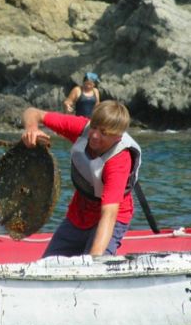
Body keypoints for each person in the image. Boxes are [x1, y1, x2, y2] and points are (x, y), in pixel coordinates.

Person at [21, 100, 141, 257]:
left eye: (104, 133)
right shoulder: (81, 128)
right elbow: (32, 112)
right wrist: (31, 130)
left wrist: (93, 262)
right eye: (94, 127)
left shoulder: (119, 162)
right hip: (80, 213)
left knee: (96, 262)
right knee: (48, 264)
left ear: (117, 137)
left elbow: (109, 214)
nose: (95, 136)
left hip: (112, 217)